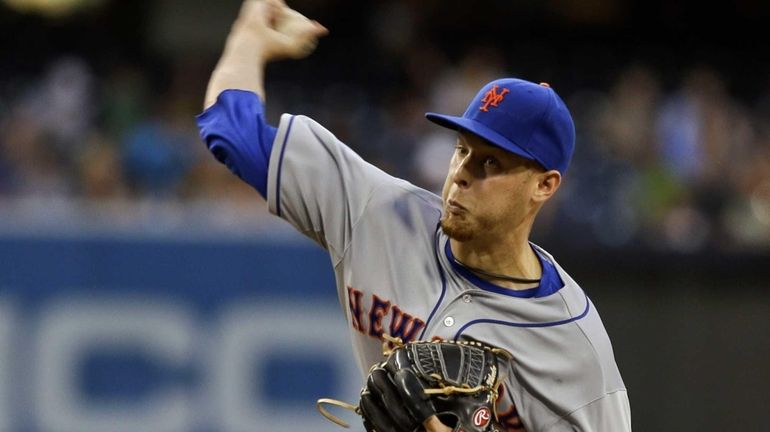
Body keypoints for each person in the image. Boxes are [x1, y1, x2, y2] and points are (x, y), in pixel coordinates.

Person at [196, 1, 632, 431]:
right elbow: (231, 132)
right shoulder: (377, 212)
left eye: (490, 164)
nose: (460, 174)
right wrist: (249, 36)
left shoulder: (575, 354)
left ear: (544, 185)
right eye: (462, 150)